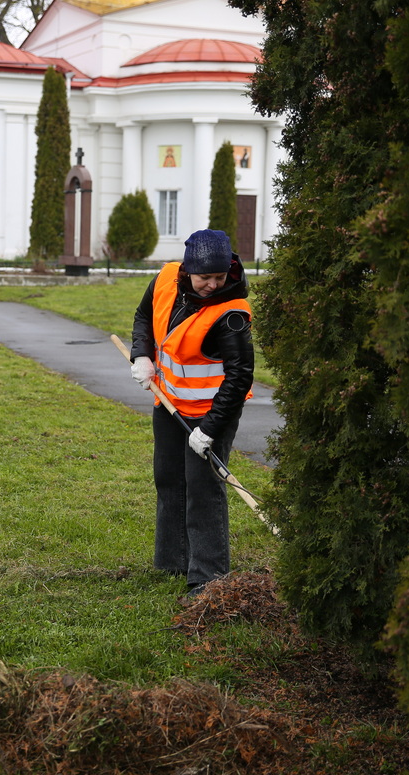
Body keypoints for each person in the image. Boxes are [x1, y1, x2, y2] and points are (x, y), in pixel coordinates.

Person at [129, 229, 254, 602]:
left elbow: (239, 377)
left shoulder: (231, 314)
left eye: (220, 276)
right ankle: (173, 561)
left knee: (203, 489)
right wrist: (142, 354)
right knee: (168, 478)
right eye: (205, 277)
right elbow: (144, 316)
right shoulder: (166, 278)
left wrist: (210, 430)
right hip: (169, 402)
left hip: (213, 411)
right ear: (187, 270)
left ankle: (207, 577)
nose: (213, 285)